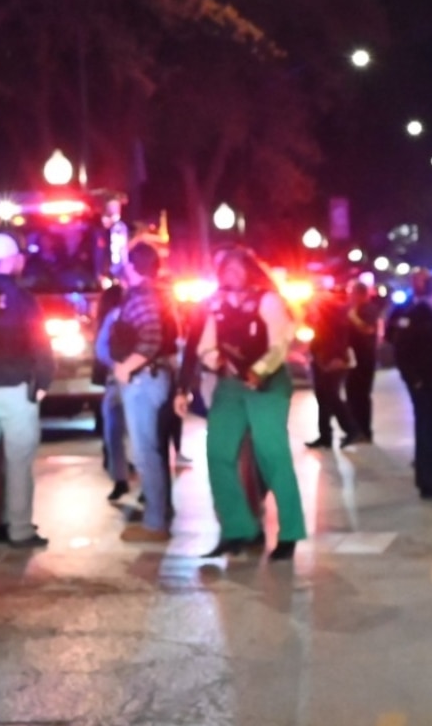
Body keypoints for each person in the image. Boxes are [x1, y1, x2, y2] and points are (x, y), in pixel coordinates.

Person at [193, 248, 306, 565]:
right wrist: (216, 361)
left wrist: (258, 372)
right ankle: (238, 528)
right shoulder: (215, 303)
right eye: (224, 267)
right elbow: (205, 344)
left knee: (273, 456)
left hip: (266, 384)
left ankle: (290, 533)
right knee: (218, 453)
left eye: (236, 267)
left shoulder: (267, 301)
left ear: (250, 270)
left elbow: (280, 344)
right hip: (230, 385)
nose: (229, 273)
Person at [0, 232, 50, 547]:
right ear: (12, 259)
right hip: (17, 390)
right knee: (18, 462)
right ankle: (19, 529)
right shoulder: (23, 299)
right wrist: (42, 382)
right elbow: (40, 344)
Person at [102, 241, 180, 542]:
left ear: (134, 266)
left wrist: (126, 367)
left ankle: (155, 522)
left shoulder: (144, 297)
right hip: (148, 378)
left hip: (144, 380)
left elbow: (150, 338)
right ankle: (157, 515)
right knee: (150, 450)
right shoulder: (152, 294)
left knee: (147, 451)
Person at [384, 270, 432, 499]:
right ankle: (427, 478)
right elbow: (401, 351)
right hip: (425, 383)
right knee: (427, 428)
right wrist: (415, 380)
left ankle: (429, 466)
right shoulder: (415, 314)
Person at [304, 277, 357, 449]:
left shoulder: (334, 312)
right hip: (322, 359)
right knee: (323, 396)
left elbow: (340, 338)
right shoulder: (322, 312)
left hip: (332, 360)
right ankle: (325, 435)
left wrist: (337, 358)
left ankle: (350, 429)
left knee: (331, 396)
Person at [338, 280, 382, 447]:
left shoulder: (369, 309)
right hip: (351, 358)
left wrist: (353, 317)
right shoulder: (349, 309)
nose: (351, 297)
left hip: (365, 357)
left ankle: (365, 431)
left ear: (362, 294)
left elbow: (368, 329)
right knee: (351, 393)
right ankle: (355, 430)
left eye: (354, 293)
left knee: (362, 394)